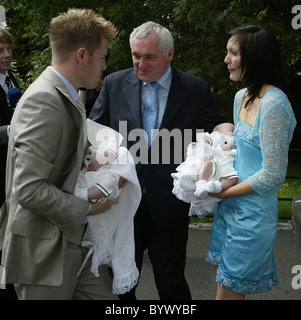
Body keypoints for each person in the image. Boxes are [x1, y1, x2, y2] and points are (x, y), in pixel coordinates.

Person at [90, 21, 225, 300]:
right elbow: (94, 131)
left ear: (170, 54)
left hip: (171, 203)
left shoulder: (195, 89)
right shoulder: (115, 83)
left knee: (171, 282)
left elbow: (214, 133)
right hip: (124, 200)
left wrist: (224, 131)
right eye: (136, 56)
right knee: (121, 282)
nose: (141, 64)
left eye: (149, 57)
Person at [0, 8, 123, 300]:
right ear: (82, 55)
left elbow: (67, 158)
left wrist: (108, 165)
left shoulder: (65, 93)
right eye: (103, 56)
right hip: (43, 253)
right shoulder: (43, 100)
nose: (105, 65)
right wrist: (88, 209)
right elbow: (29, 189)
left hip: (74, 244)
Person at [207, 25, 297, 300]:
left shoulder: (275, 105)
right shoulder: (240, 96)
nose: (226, 59)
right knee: (223, 285)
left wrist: (222, 192)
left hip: (253, 215)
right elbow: (239, 153)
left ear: (254, 58)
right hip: (229, 207)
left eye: (233, 53)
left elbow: (272, 175)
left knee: (227, 294)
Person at [172, 122, 238, 218]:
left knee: (234, 178)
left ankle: (217, 186)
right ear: (218, 131)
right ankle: (201, 183)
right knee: (206, 164)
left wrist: (232, 145)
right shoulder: (216, 136)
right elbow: (204, 141)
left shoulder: (236, 140)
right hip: (214, 158)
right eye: (231, 130)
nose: (235, 132)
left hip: (226, 163)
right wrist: (204, 149)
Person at [0, 27, 19, 301]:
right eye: (0, 51)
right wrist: (14, 129)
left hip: (13, 171)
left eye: (8, 49)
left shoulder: (10, 79)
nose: (6, 55)